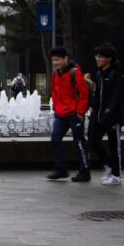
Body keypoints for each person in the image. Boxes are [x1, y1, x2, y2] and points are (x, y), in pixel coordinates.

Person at [47, 46, 90, 182]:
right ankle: (61, 168)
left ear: (65, 58)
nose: (55, 63)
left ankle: (84, 171)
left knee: (79, 142)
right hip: (60, 113)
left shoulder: (74, 73)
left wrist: (81, 112)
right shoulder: (55, 74)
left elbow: (84, 93)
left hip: (74, 113)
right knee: (55, 138)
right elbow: (54, 91)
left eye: (58, 60)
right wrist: (55, 106)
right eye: (53, 60)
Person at [88, 44, 124, 186]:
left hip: (113, 117)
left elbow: (116, 96)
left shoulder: (115, 74)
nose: (97, 59)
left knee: (114, 145)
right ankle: (109, 165)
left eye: (101, 56)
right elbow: (97, 93)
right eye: (97, 56)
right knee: (93, 141)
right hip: (99, 115)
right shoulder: (99, 73)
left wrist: (108, 111)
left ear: (109, 59)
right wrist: (92, 106)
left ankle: (116, 175)